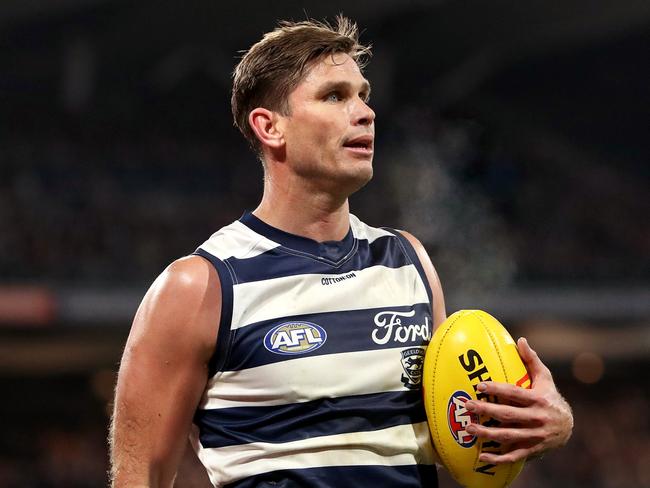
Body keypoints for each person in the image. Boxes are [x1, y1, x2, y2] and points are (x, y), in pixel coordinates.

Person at [109, 16, 573, 488]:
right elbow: (137, 478)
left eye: (363, 95)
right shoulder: (201, 286)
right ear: (270, 127)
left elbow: (454, 439)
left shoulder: (408, 261)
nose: (365, 112)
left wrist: (541, 424)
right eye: (334, 96)